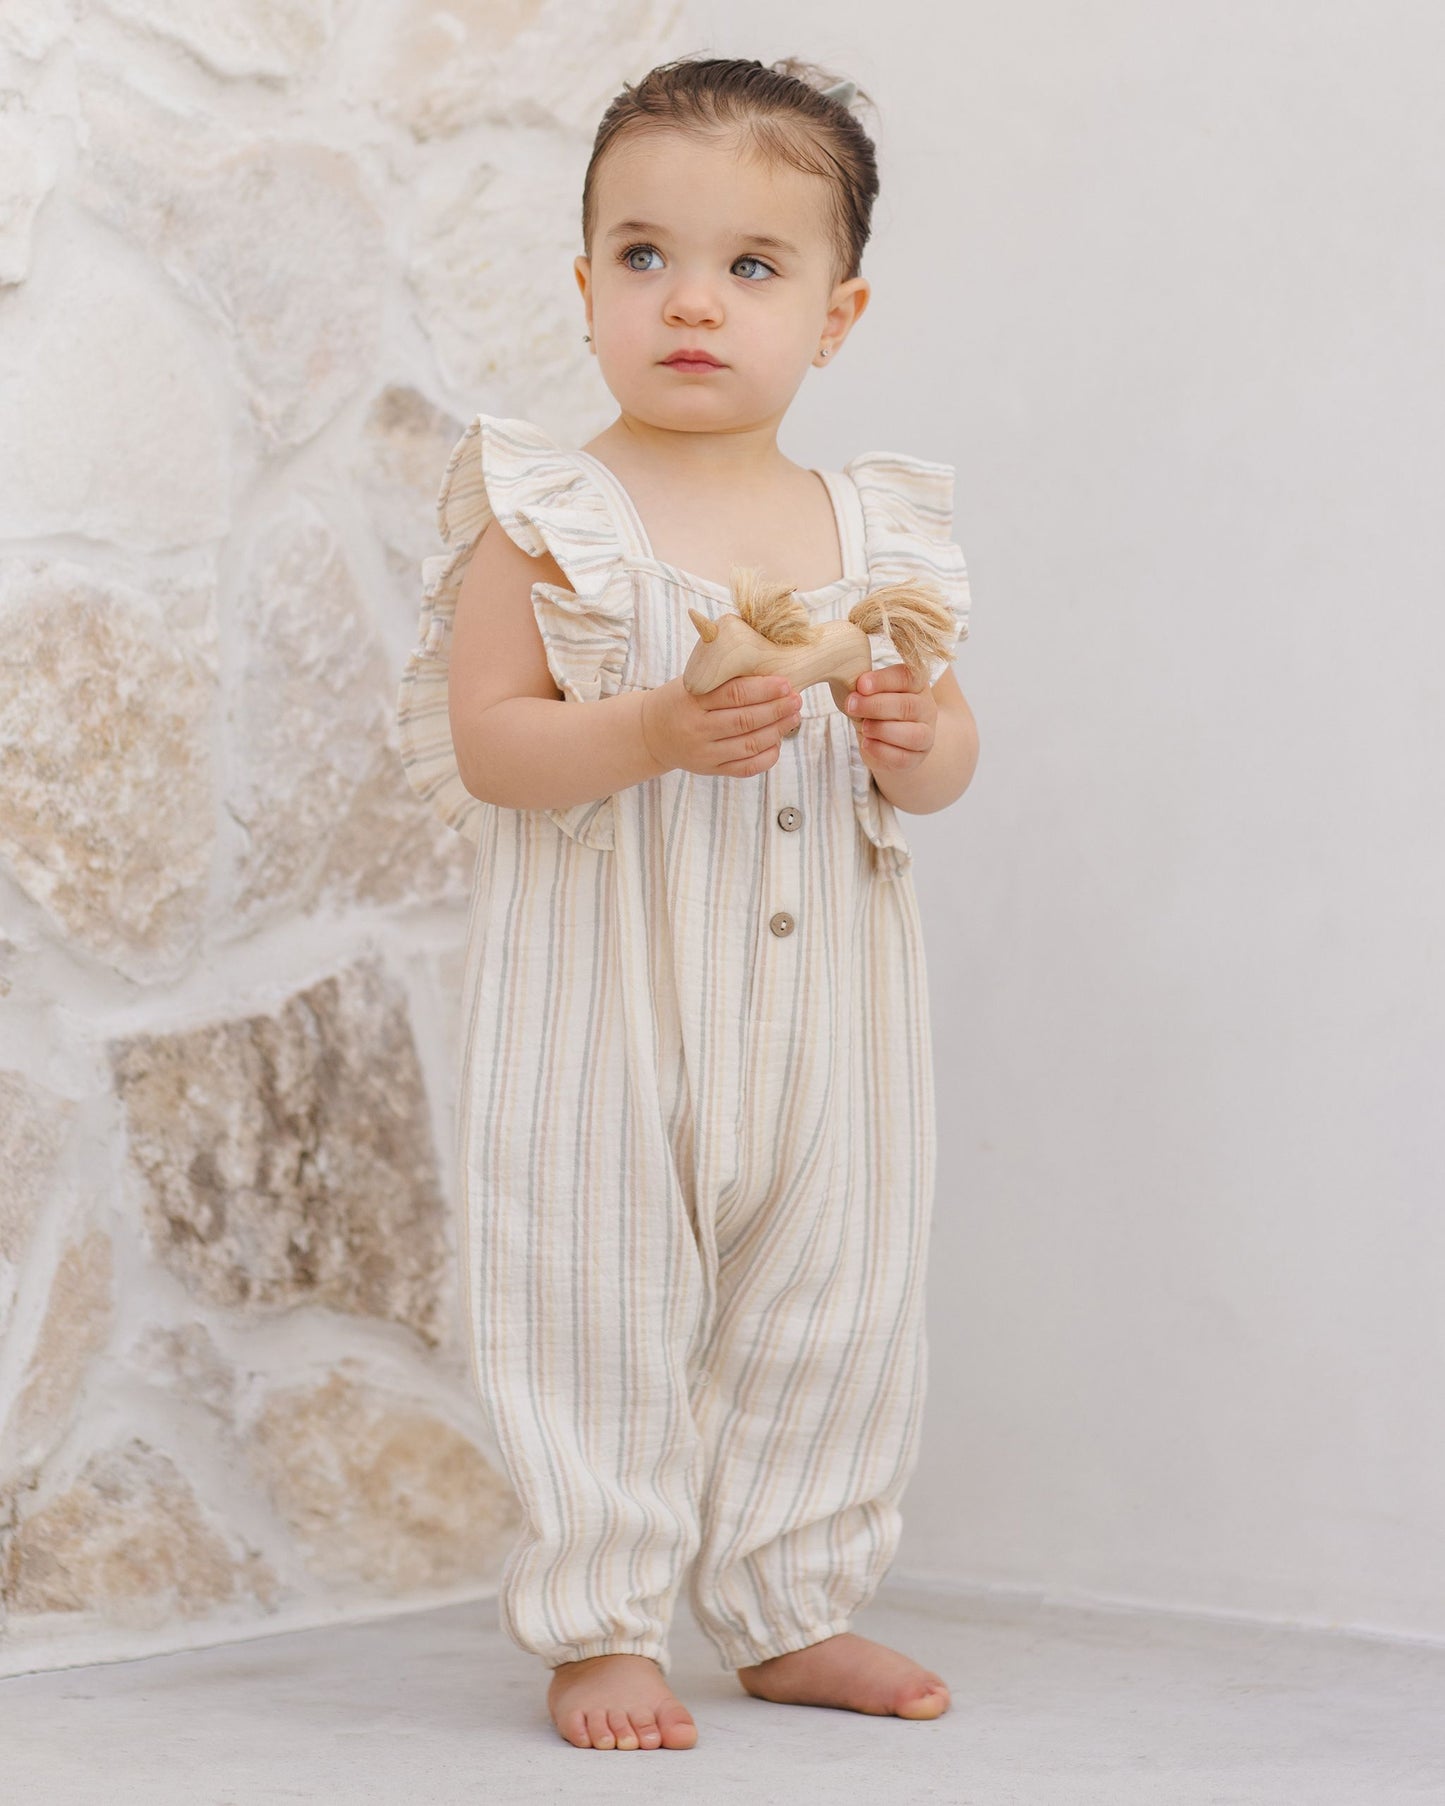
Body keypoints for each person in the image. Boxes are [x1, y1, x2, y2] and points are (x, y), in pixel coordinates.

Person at [396, 54, 980, 1753]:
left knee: (838, 1298)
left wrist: (912, 735)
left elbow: (947, 758)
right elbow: (492, 744)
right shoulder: (548, 518)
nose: (692, 302)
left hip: (832, 1016)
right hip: (603, 996)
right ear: (584, 287)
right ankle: (601, 1622)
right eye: (644, 257)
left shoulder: (872, 532)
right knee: (593, 1294)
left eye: (751, 266)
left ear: (834, 312)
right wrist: (652, 729)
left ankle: (795, 1604)